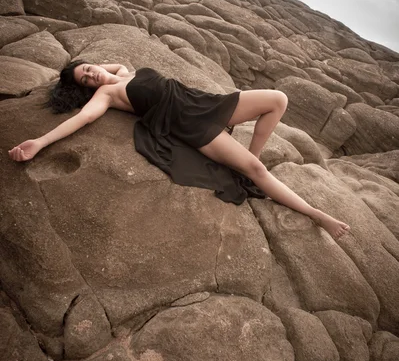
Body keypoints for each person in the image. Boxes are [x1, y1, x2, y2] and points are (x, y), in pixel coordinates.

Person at [9, 61, 350, 240]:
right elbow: (82, 120)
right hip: (193, 126)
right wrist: (40, 142)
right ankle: (316, 214)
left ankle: (252, 156)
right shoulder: (105, 97)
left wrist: (103, 69)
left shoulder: (124, 71)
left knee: (279, 99)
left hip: (204, 102)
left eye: (88, 69)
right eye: (85, 80)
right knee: (255, 174)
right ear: (86, 90)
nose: (92, 76)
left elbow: (112, 66)